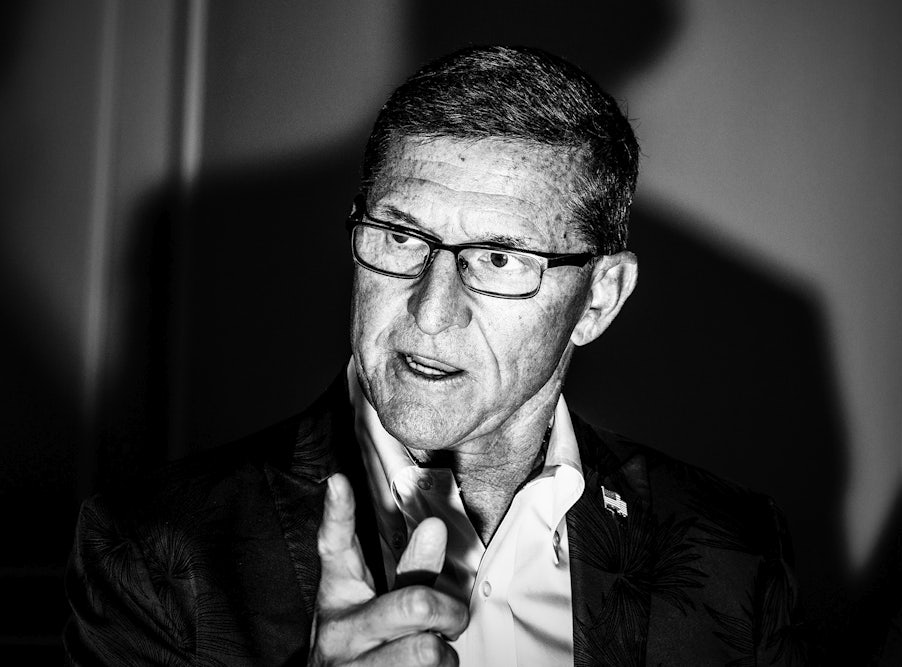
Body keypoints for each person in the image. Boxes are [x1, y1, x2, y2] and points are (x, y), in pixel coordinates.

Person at [65, 46, 805, 666]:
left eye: (499, 258)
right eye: (400, 237)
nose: (430, 310)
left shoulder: (734, 552)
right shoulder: (154, 552)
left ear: (599, 300)